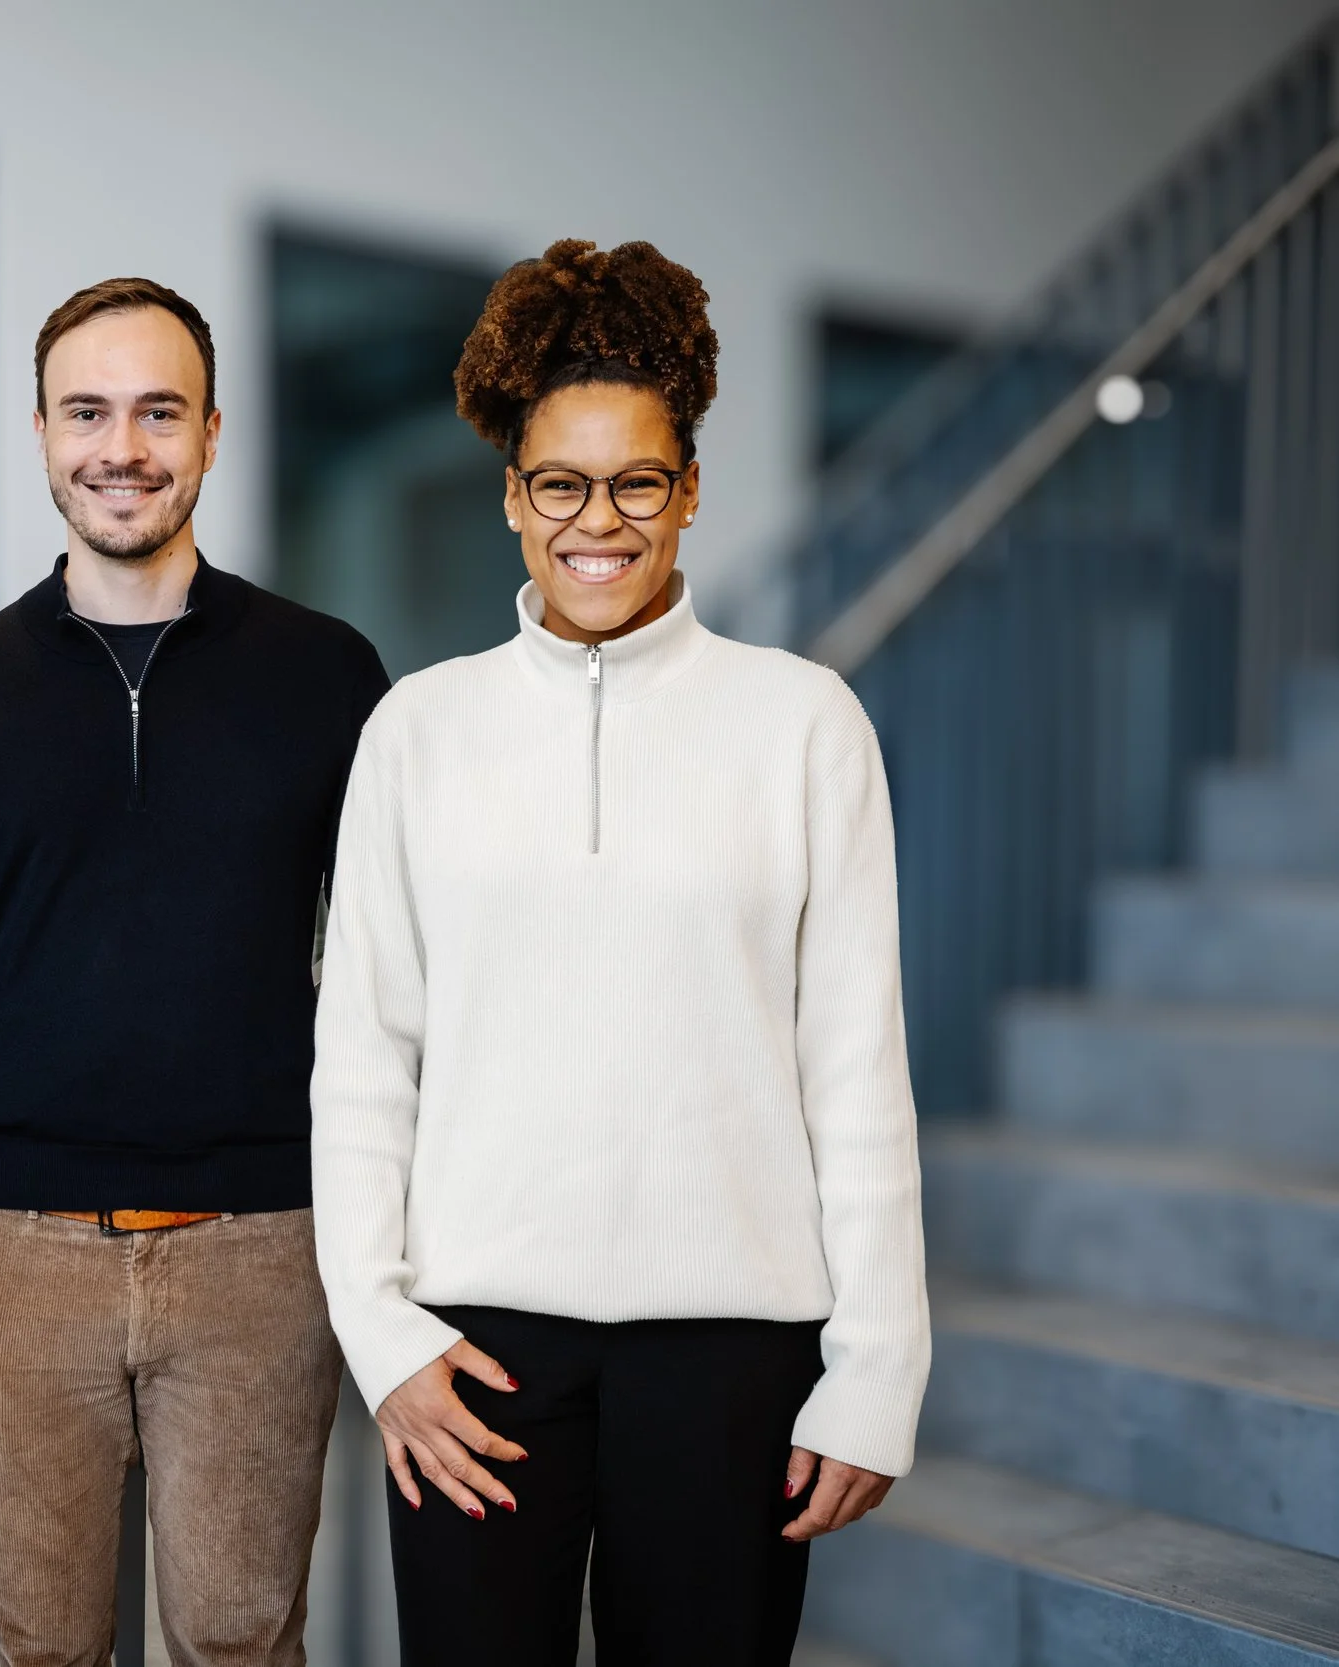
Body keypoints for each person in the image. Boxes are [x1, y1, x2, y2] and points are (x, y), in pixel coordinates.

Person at [311, 240, 930, 1666]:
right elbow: (362, 1064)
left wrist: (878, 1365)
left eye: (638, 481)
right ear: (514, 499)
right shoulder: (419, 728)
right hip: (476, 1349)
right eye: (561, 484)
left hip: (736, 1342)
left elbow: (856, 1067)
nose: (601, 519)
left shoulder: (805, 722)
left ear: (691, 490)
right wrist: (382, 1331)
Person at [0, 276, 391, 1666]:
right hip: (9, 1250)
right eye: (88, 411)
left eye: (160, 411)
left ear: (213, 433)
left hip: (265, 1251)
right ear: (39, 432)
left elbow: (398, 958)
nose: (123, 447)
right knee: (37, 1646)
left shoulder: (330, 674)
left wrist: (371, 1208)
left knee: (240, 1640)